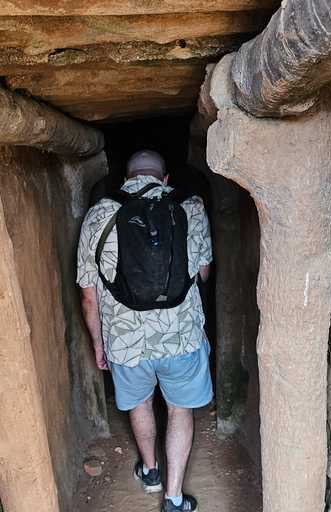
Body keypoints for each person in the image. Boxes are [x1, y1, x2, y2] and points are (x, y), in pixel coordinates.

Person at [77, 150, 213, 512]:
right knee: (180, 409)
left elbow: (88, 298)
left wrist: (98, 344)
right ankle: (173, 498)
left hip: (125, 342)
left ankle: (150, 472)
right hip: (181, 336)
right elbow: (202, 277)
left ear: (124, 180)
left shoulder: (99, 216)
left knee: (140, 403)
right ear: (164, 179)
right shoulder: (191, 208)